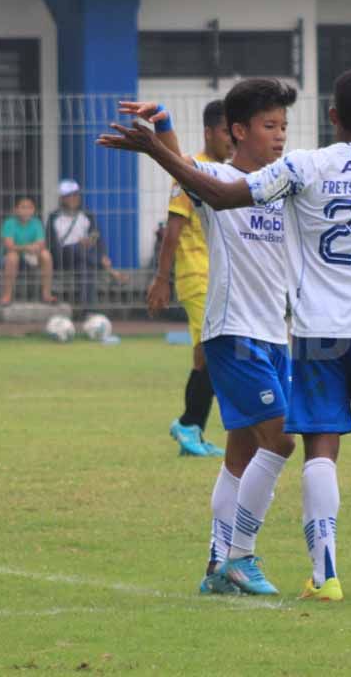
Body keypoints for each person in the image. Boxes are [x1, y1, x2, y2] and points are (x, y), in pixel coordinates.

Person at [99, 66, 351, 602]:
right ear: (238, 131)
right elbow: (189, 172)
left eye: (284, 124)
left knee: (240, 452)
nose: (281, 134)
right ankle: (239, 556)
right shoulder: (218, 180)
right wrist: (163, 129)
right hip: (233, 334)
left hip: (278, 336)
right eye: (269, 125)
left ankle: (220, 559)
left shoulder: (289, 179)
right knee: (283, 441)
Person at [147, 100, 232, 458]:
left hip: (218, 277)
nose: (233, 138)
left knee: (206, 355)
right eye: (227, 131)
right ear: (209, 132)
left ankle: (192, 428)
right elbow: (173, 229)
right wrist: (161, 278)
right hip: (197, 277)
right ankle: (189, 424)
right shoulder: (191, 172)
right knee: (211, 354)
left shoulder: (225, 173)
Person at [47, 179, 130, 305]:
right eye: (69, 196)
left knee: (86, 269)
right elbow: (51, 244)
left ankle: (87, 309)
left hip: (85, 256)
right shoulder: (54, 217)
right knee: (78, 249)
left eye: (75, 195)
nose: (73, 198)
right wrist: (80, 246)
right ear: (62, 198)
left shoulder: (87, 215)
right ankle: (110, 270)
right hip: (63, 256)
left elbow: (96, 236)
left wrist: (90, 244)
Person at [0, 196, 55, 305]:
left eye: (29, 208)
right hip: (7, 258)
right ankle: (7, 296)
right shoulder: (9, 223)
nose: (26, 211)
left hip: (30, 257)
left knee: (46, 255)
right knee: (12, 256)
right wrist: (27, 247)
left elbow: (41, 244)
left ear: (33, 210)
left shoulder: (36, 223)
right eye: (23, 207)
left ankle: (46, 295)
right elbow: (9, 246)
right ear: (16, 210)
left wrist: (33, 248)